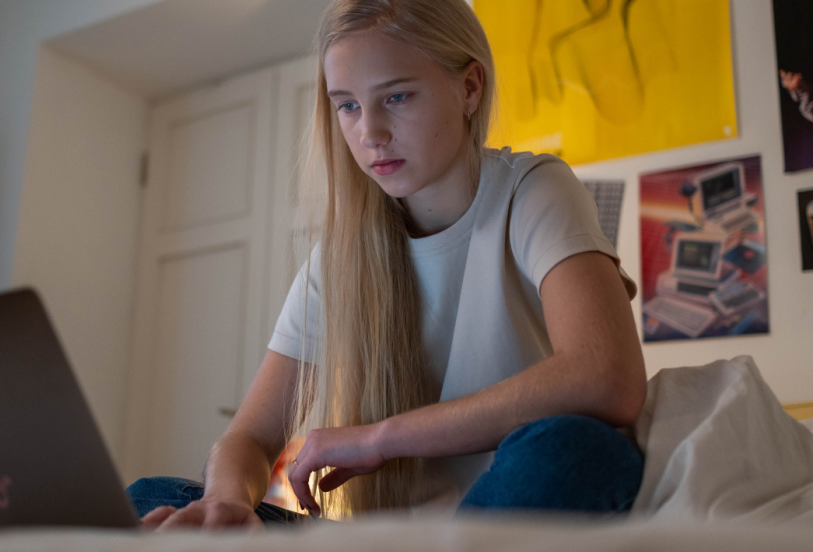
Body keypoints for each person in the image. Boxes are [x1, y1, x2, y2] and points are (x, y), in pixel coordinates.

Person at [128, 0, 646, 530]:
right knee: (150, 498)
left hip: (507, 506)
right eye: (347, 106)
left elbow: (607, 377)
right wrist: (229, 500)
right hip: (392, 537)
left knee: (575, 449)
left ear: (469, 88)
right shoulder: (338, 258)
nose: (369, 132)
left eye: (396, 97)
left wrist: (380, 438)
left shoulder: (531, 190)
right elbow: (250, 438)